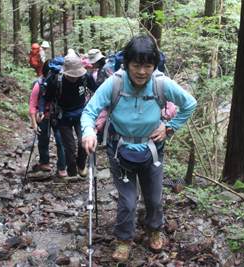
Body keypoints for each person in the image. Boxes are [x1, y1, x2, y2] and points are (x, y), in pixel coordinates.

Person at [81, 35, 197, 262]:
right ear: (127, 64)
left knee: (153, 198)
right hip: (119, 150)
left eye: (148, 66)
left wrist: (169, 128)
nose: (142, 71)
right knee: (128, 201)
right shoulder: (114, 83)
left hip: (152, 150)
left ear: (154, 66)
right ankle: (124, 239)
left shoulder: (161, 84)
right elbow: (90, 111)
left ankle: (154, 229)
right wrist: (88, 132)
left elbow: (189, 104)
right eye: (136, 65)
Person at [38, 57, 99, 182]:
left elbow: (98, 90)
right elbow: (45, 98)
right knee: (69, 146)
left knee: (84, 141)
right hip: (63, 116)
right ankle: (72, 172)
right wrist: (41, 111)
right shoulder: (56, 80)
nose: (74, 77)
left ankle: (81, 166)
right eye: (71, 75)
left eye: (76, 75)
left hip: (81, 114)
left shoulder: (85, 77)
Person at [29, 60, 67, 177]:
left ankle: (62, 167)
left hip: (57, 115)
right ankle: (44, 162)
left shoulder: (60, 82)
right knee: (43, 141)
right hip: (43, 117)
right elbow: (32, 104)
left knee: (61, 141)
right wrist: (35, 124)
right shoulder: (39, 84)